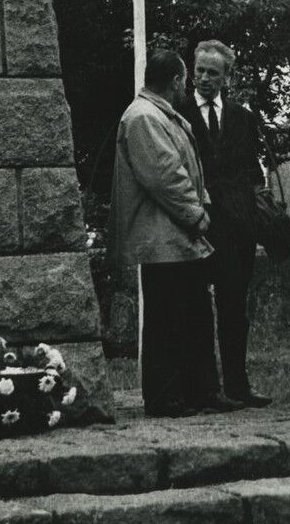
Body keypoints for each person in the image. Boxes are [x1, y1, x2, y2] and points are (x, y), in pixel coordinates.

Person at [110, 48, 241, 418]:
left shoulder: (158, 114)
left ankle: (200, 391)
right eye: (187, 78)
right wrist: (198, 215)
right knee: (168, 320)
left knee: (194, 314)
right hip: (163, 238)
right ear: (177, 80)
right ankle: (166, 397)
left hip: (177, 238)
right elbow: (165, 175)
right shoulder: (144, 117)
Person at [180, 40, 273, 407]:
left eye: (213, 73)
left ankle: (238, 384)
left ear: (226, 77)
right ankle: (204, 387)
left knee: (234, 308)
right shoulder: (179, 112)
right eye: (199, 71)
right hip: (196, 226)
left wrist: (252, 207)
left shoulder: (241, 116)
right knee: (195, 308)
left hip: (237, 229)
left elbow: (253, 169)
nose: (204, 79)